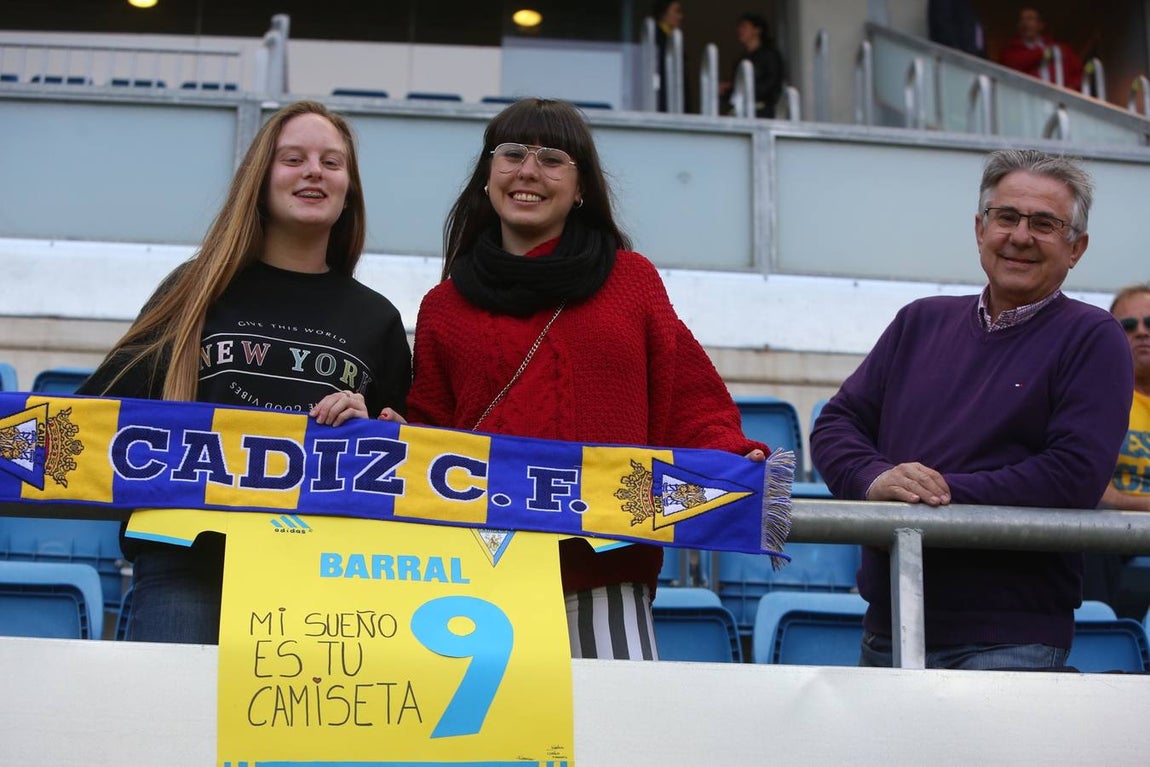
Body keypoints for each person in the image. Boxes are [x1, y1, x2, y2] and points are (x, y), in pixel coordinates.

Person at [394, 97, 768, 660]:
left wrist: (730, 457)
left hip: (607, 578)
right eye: (512, 154)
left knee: (612, 744)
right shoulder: (442, 306)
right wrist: (382, 434)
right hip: (475, 581)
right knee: (483, 749)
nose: (527, 171)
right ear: (487, 176)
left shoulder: (632, 282)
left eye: (552, 159)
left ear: (581, 186)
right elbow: (430, 430)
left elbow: (691, 400)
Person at [77, 100, 412, 644]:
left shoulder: (378, 318)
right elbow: (92, 415)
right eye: (293, 158)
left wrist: (375, 424)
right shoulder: (194, 289)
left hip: (322, 573)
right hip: (186, 559)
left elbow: (406, 453)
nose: (313, 172)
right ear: (259, 180)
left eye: (332, 162)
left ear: (349, 189)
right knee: (175, 727)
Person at [810, 148, 1133, 670]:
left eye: (1044, 223)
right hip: (889, 624)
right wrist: (875, 479)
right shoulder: (918, 322)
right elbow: (836, 424)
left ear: (1077, 248)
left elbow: (1072, 475)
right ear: (980, 228)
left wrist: (935, 495)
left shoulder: (1095, 339)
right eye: (1006, 216)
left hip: (1010, 638)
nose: (1020, 236)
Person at [999, 7, 1083, 91]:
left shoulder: (1061, 49)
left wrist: (1072, 87)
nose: (1025, 23)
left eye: (1030, 19)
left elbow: (1078, 73)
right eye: (1022, 19)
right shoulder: (1011, 51)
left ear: (1041, 25)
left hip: (1060, 99)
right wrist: (1043, 53)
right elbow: (1014, 64)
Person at [721, 13, 785, 119]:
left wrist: (744, 90)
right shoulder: (740, 60)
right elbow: (736, 92)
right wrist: (727, 90)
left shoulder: (770, 55)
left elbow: (772, 84)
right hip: (740, 112)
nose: (740, 30)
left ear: (757, 30)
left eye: (744, 26)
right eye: (739, 27)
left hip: (761, 113)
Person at [652, 0, 684, 112]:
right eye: (676, 11)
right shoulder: (655, 39)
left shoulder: (672, 39)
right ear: (663, 13)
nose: (680, 16)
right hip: (661, 104)